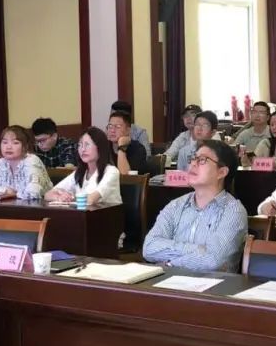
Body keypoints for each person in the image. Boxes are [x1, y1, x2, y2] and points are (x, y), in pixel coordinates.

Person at [143, 140, 248, 272]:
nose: (193, 163)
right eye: (193, 158)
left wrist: (171, 264)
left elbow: (213, 260)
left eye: (202, 160)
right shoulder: (176, 205)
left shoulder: (233, 211)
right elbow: (149, 247)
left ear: (221, 172)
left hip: (213, 284)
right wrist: (199, 249)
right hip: (170, 282)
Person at [45, 127, 122, 207]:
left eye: (87, 144)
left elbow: (91, 200)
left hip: (107, 214)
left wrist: (69, 197)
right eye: (80, 145)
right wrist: (59, 197)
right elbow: (47, 195)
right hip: (85, 213)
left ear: (100, 147)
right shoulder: (80, 172)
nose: (83, 149)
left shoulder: (111, 172)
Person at [0, 125, 53, 200]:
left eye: (15, 143)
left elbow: (33, 193)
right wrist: (4, 190)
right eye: (5, 142)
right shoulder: (1, 163)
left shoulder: (32, 161)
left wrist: (13, 194)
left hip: (39, 208)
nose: (8, 147)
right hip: (10, 207)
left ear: (25, 146)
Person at [107, 110, 150, 174]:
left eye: (118, 127)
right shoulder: (103, 146)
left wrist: (121, 148)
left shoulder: (138, 149)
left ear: (128, 130)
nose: (112, 130)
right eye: (110, 126)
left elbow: (125, 176)